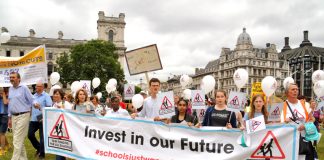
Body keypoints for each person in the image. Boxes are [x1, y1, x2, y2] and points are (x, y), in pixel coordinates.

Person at [281, 83, 315, 160]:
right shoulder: (282, 105)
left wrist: (305, 125)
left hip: (303, 138)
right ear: (287, 92)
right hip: (287, 140)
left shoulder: (305, 104)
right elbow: (277, 122)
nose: (295, 91)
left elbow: (312, 119)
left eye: (297, 89)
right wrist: (284, 122)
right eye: (293, 89)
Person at [8, 72, 34, 160]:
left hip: (23, 115)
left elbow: (32, 100)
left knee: (17, 140)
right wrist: (9, 117)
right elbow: (10, 104)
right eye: (10, 77)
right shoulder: (10, 89)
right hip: (13, 116)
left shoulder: (24, 88)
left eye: (13, 77)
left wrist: (36, 104)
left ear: (19, 79)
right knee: (20, 140)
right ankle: (23, 159)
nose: (11, 79)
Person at [28, 82, 52, 159]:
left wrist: (40, 107)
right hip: (34, 119)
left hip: (43, 118)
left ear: (42, 87)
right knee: (30, 135)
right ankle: (38, 148)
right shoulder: (33, 96)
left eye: (38, 86)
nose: (36, 87)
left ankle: (42, 154)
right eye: (36, 86)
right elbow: (31, 107)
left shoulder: (46, 96)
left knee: (42, 137)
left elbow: (49, 107)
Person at [0, 87, 10, 155]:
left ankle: (2, 150)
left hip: (5, 115)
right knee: (1, 133)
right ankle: (8, 145)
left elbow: (5, 102)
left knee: (2, 133)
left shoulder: (9, 95)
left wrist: (3, 94)